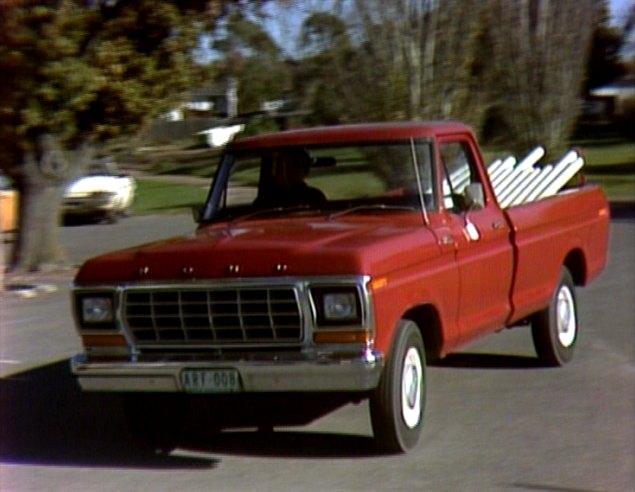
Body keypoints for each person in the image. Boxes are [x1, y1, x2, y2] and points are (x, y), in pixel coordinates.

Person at [255, 148, 326, 207]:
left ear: (305, 171)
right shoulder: (268, 199)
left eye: (295, 166)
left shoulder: (315, 197)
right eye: (287, 166)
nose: (290, 171)